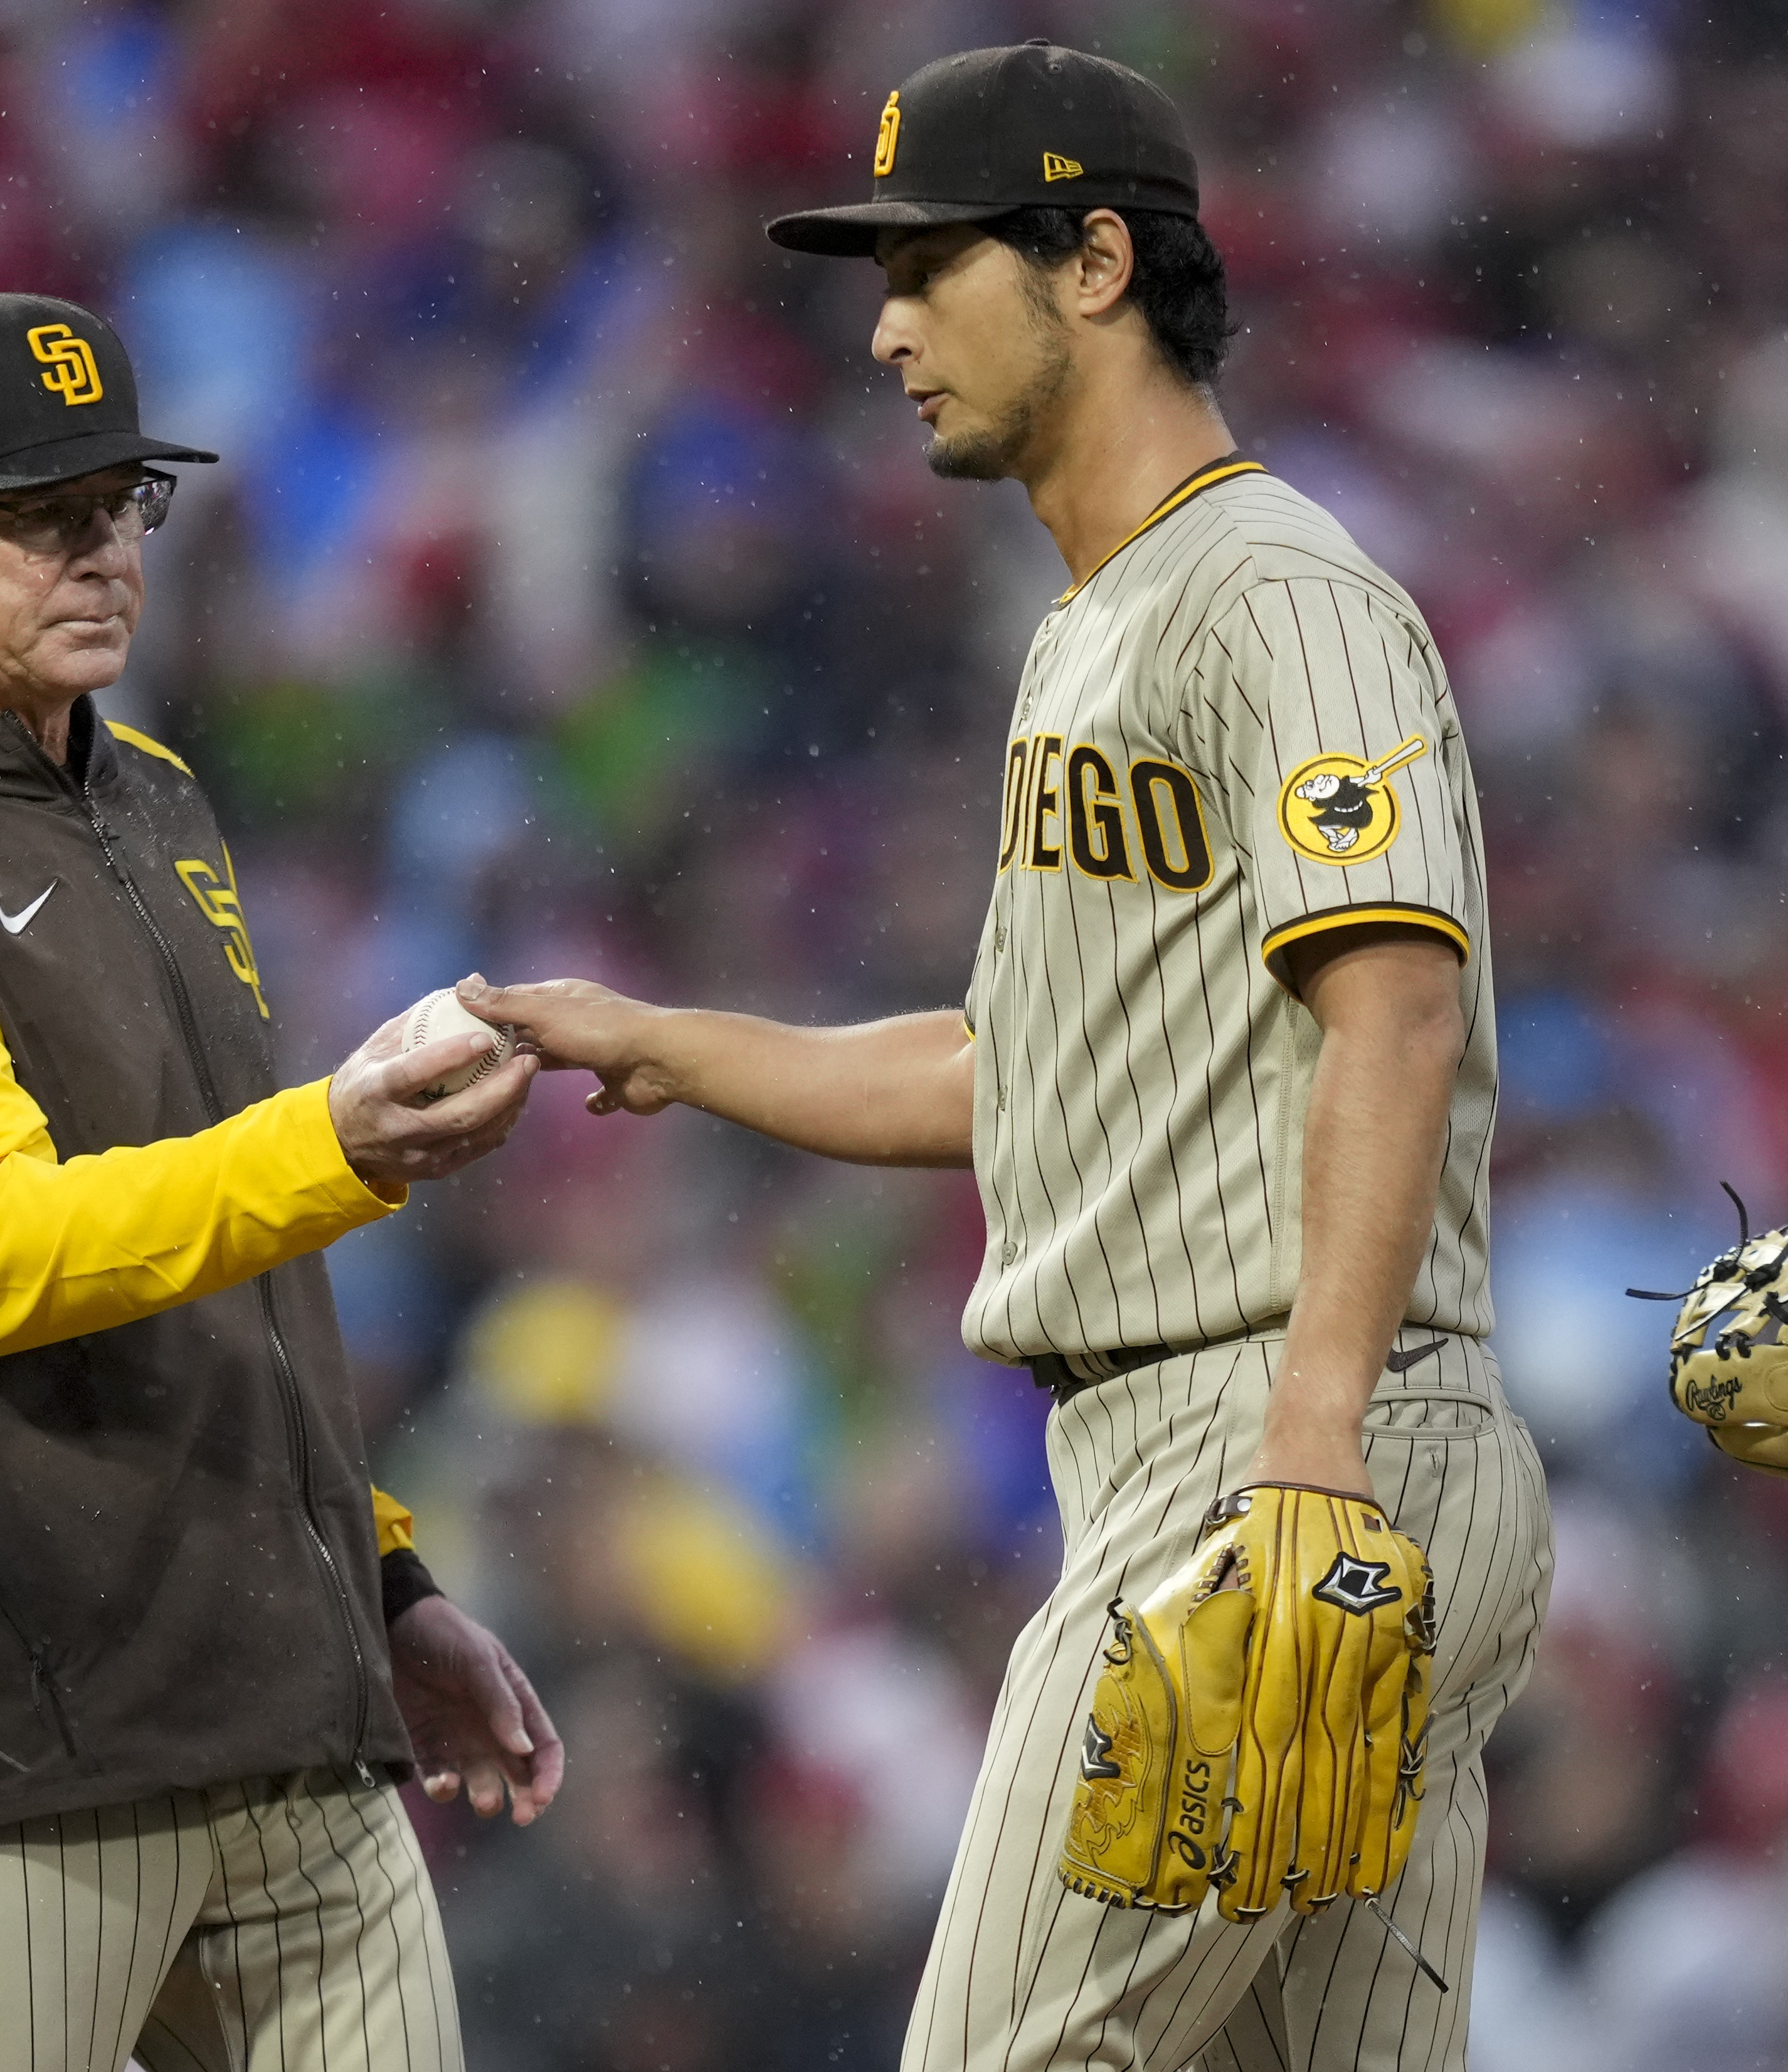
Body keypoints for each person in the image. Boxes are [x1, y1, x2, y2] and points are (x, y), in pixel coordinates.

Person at [468, 43, 1551, 2072]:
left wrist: (1305, 1445)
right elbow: (1018, 1072)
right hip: (1268, 1436)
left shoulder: (1275, 587)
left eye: (930, 263)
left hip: (1276, 1438)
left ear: (1091, 265)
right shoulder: (1092, 624)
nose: (882, 326)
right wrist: (673, 1048)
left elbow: (1395, 1000)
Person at [0, 287, 561, 2071]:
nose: (96, 553)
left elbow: (234, 1273)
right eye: (34, 516)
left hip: (286, 1732)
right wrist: (329, 1143)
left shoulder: (157, 793)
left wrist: (386, 1587)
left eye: (117, 505)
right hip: (12, 1757)